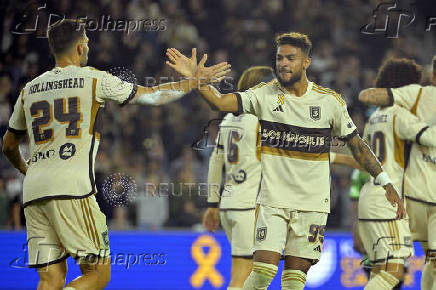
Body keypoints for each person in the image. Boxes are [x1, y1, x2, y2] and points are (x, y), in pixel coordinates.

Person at [1, 19, 230, 290]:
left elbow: (8, 145)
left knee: (49, 279)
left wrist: (28, 170)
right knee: (98, 274)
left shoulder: (29, 89)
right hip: (72, 189)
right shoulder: (93, 79)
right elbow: (151, 96)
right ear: (79, 48)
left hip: (34, 192)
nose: (88, 45)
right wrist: (192, 82)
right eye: (86, 41)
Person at [166, 32, 405, 290]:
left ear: (306, 63)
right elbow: (220, 102)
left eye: (291, 58)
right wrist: (197, 80)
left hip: (312, 205)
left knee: (294, 280)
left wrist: (385, 182)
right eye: (280, 58)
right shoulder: (264, 95)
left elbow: (357, 145)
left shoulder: (329, 101)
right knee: (262, 272)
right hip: (272, 202)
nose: (283, 64)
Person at [359, 55, 436, 290]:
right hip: (394, 200)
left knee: (383, 271)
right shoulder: (400, 115)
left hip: (377, 197)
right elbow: (429, 137)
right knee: (393, 273)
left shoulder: (373, 119)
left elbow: (363, 160)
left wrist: (332, 158)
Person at [202, 66, 275, 290]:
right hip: (249, 207)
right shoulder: (262, 120)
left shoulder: (228, 121)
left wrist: (213, 205)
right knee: (242, 276)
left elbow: (215, 164)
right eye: (272, 86)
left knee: (252, 277)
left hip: (229, 205)